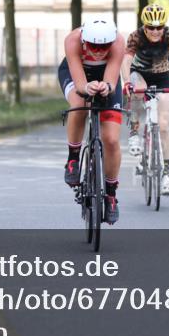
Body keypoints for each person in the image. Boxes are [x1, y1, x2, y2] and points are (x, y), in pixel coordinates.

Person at [58, 19, 125, 225]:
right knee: (80, 103)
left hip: (105, 75)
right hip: (75, 73)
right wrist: (86, 88)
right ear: (85, 41)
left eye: (104, 46)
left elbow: (112, 80)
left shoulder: (118, 41)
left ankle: (111, 195)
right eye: (94, 46)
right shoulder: (72, 40)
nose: (98, 51)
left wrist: (106, 87)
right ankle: (73, 159)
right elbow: (79, 83)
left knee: (111, 140)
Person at [121, 3, 169, 196]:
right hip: (139, 73)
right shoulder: (136, 36)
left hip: (162, 76)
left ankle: (166, 175)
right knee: (138, 90)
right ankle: (134, 133)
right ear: (144, 26)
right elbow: (126, 60)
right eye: (151, 27)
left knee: (164, 127)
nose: (155, 31)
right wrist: (126, 82)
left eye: (159, 27)